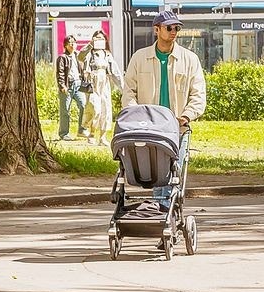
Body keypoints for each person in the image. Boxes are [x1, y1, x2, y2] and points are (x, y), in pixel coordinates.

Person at [122, 11, 207, 206]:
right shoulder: (139, 58)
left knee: (173, 171)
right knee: (155, 171)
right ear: (156, 30)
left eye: (176, 28)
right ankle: (162, 211)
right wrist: (135, 116)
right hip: (148, 127)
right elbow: (129, 92)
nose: (173, 32)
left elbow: (198, 95)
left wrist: (185, 117)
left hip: (177, 128)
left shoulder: (190, 59)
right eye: (169, 28)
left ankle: (163, 210)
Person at [81, 30, 123, 143]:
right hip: (93, 82)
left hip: (104, 81)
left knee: (106, 108)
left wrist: (123, 89)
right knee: (95, 108)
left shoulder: (107, 54)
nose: (99, 40)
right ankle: (91, 133)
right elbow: (80, 56)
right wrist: (90, 45)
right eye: (97, 38)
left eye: (101, 38)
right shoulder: (89, 53)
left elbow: (115, 72)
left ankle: (103, 137)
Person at [55, 35, 85, 141]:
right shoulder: (62, 57)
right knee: (65, 111)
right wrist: (62, 86)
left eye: (74, 42)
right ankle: (64, 133)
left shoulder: (77, 56)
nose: (73, 45)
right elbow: (60, 73)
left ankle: (82, 129)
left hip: (78, 85)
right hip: (68, 86)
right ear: (65, 45)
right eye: (70, 43)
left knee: (84, 106)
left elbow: (82, 70)